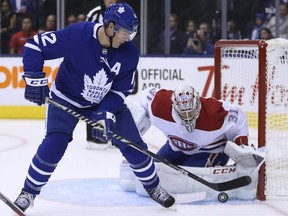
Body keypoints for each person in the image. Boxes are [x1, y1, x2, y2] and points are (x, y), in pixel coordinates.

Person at [13, 3, 175, 213]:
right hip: (66, 98)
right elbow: (35, 46)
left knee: (133, 145)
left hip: (104, 101)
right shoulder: (79, 35)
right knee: (55, 142)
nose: (129, 38)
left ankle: (153, 187)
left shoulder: (129, 53)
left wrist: (106, 111)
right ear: (111, 26)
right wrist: (35, 78)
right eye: (126, 32)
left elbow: (120, 90)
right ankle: (28, 192)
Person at [132, 85, 263, 168]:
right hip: (174, 148)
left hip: (209, 151)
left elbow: (237, 115)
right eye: (183, 113)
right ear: (174, 108)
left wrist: (241, 145)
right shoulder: (159, 106)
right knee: (155, 170)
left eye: (191, 111)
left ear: (198, 105)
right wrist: (129, 126)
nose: (188, 117)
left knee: (188, 178)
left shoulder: (212, 113)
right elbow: (144, 97)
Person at [85, 0, 118, 149]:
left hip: (112, 61)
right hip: (95, 60)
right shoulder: (94, 14)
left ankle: (108, 133)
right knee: (92, 96)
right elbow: (86, 36)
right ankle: (92, 137)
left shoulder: (121, 13)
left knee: (110, 97)